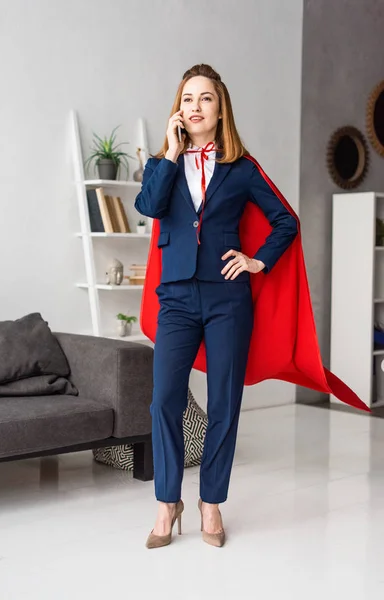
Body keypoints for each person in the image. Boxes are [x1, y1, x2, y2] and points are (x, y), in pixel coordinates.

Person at [134, 63, 301, 549]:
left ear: (220, 107)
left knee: (225, 401)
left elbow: (284, 222)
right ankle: (168, 502)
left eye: (205, 98)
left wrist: (256, 261)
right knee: (164, 397)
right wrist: (169, 151)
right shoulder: (163, 163)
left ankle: (211, 502)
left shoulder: (241, 167)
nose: (196, 107)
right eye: (188, 99)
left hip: (228, 298)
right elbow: (149, 207)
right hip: (177, 298)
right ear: (178, 109)